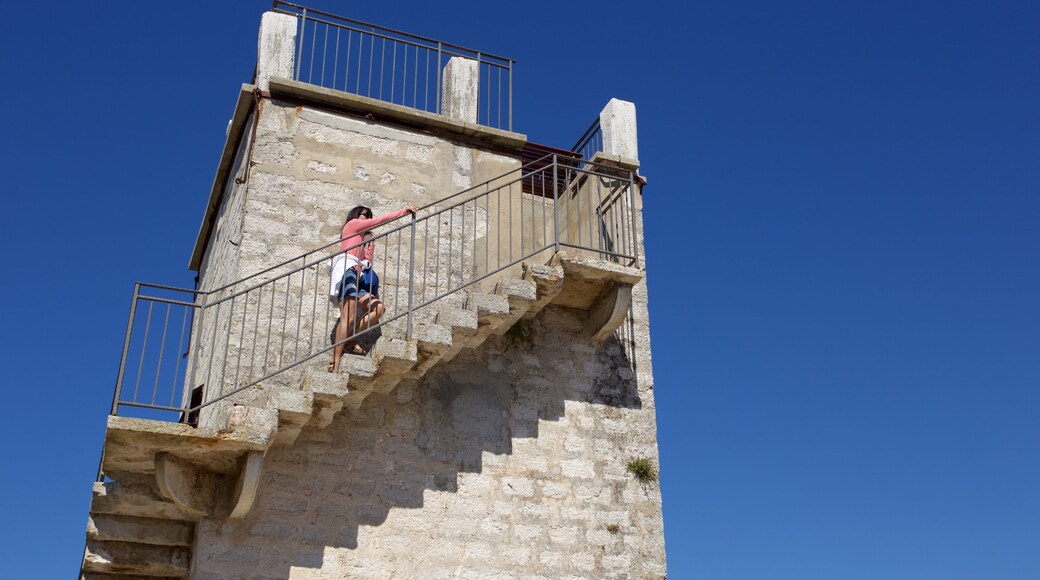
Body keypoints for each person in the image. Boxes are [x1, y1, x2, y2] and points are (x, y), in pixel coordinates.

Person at [329, 204, 418, 371]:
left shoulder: (360, 239)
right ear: (355, 215)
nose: (367, 217)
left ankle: (350, 339)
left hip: (357, 277)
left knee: (378, 308)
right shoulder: (352, 225)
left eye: (369, 215)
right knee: (347, 318)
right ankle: (336, 359)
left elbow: (365, 262)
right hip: (347, 272)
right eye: (364, 214)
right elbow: (379, 221)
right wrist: (403, 212)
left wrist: (370, 245)